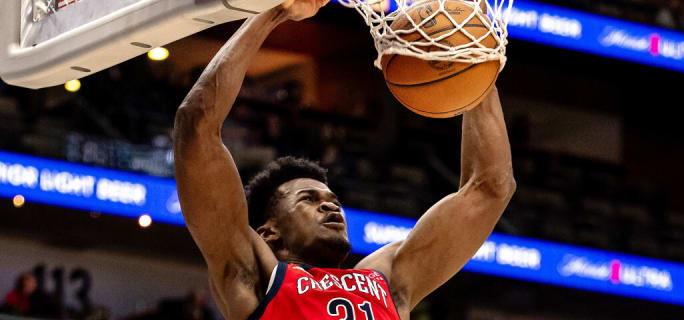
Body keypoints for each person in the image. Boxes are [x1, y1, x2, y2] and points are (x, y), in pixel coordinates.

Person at [172, 0, 515, 318]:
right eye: (309, 199)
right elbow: (197, 124)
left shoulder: (389, 280)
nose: (331, 206)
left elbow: (490, 188)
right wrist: (274, 12)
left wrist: (474, 59)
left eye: (332, 199)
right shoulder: (253, 273)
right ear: (269, 232)